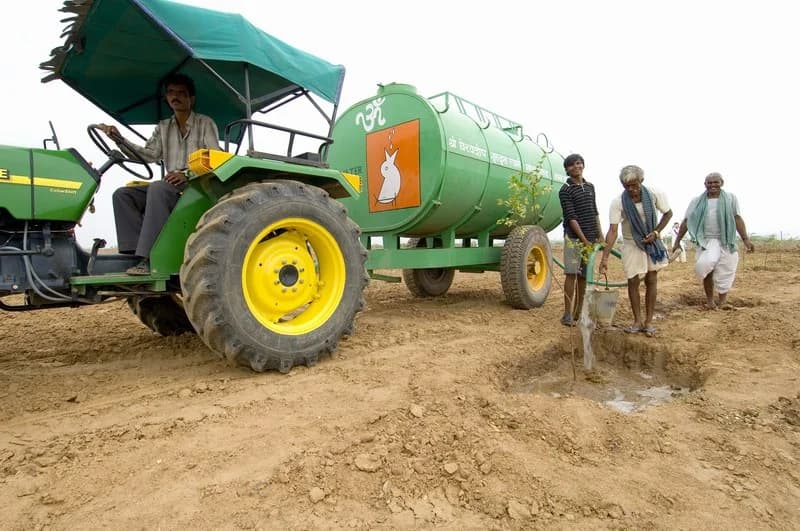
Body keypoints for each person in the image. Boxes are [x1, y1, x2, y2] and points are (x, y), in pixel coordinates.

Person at [99, 73, 220, 275]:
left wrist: (187, 174)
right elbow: (148, 155)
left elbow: (215, 159)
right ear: (166, 98)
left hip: (196, 185)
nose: (176, 97)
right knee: (123, 195)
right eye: (171, 93)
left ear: (192, 99)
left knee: (158, 187)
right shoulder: (163, 127)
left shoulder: (205, 123)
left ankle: (148, 258)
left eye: (181, 93)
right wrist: (120, 140)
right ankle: (132, 255)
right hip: (170, 185)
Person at [599, 165, 672, 337]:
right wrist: (605, 258)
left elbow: (668, 213)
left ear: (642, 181)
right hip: (632, 243)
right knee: (633, 280)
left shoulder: (655, 194)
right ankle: (637, 321)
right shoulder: (618, 202)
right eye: (627, 186)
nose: (631, 189)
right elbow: (613, 231)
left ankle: (648, 322)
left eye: (634, 185)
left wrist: (656, 232)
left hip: (652, 242)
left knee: (652, 278)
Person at [671, 172, 754, 310]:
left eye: (716, 182)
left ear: (722, 183)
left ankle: (722, 302)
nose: (713, 185)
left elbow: (737, 218)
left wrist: (746, 239)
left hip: (726, 241)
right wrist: (677, 241)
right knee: (705, 266)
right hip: (706, 241)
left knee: (725, 270)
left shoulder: (731, 199)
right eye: (709, 183)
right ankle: (710, 301)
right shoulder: (696, 201)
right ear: (705, 184)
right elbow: (686, 221)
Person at [557, 153, 603, 326]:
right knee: (571, 274)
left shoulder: (590, 187)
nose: (576, 167)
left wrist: (600, 235)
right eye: (571, 165)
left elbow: (595, 211)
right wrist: (583, 239)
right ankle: (567, 314)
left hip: (591, 239)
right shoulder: (565, 190)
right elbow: (571, 217)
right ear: (567, 170)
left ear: (583, 165)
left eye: (578, 163)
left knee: (584, 276)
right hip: (574, 239)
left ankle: (579, 312)